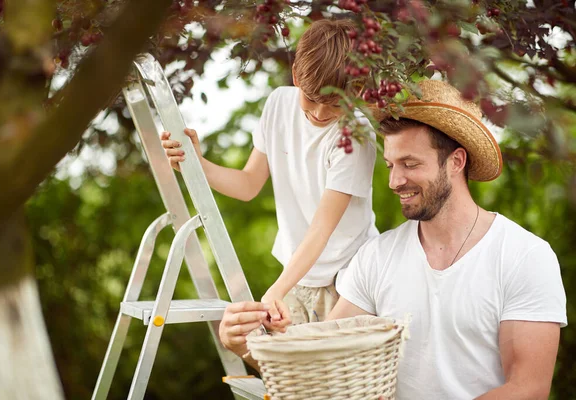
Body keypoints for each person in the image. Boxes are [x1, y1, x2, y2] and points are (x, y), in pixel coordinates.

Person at [218, 79, 567, 399]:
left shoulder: (524, 256)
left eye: (410, 164)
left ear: (456, 161)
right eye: (390, 165)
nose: (395, 181)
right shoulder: (375, 258)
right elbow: (321, 368)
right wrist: (246, 346)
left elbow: (529, 388)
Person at [162, 19, 378, 326]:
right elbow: (249, 184)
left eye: (334, 105)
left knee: (333, 368)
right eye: (312, 99)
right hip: (297, 272)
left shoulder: (354, 137)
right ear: (295, 76)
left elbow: (321, 229)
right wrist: (196, 164)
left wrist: (276, 289)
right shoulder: (278, 105)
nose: (319, 113)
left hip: (347, 277)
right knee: (284, 363)